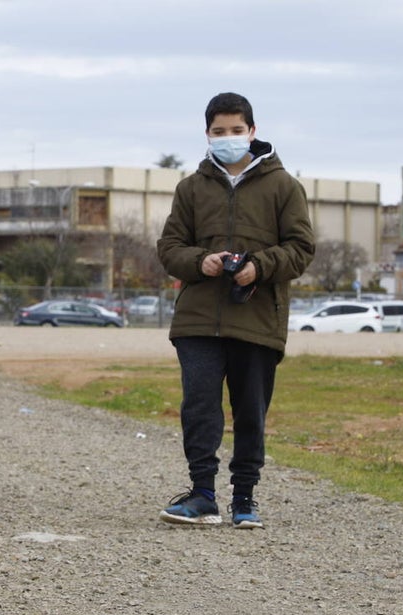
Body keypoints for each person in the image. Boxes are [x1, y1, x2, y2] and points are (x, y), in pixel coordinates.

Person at [156, 92, 315, 529]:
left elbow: (302, 248)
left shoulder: (284, 187)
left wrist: (259, 267)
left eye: (236, 130)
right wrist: (200, 261)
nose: (228, 138)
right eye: (219, 131)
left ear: (253, 132)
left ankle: (244, 498)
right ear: (207, 134)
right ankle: (202, 495)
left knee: (251, 411)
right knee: (200, 407)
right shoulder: (190, 188)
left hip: (257, 320)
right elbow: (169, 247)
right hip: (198, 321)